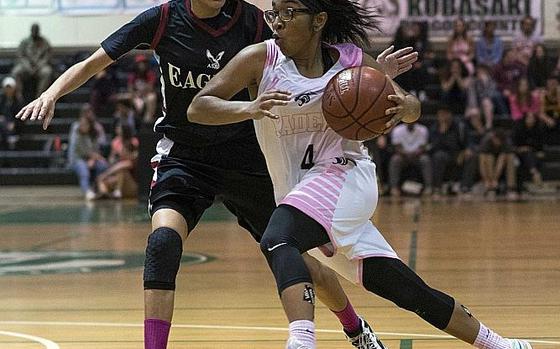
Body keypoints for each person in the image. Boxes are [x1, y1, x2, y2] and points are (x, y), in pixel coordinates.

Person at [15, 1, 418, 348]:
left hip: (248, 155)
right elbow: (95, 61)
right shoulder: (161, 19)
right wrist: (51, 93)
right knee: (162, 244)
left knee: (296, 258)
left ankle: (355, 327)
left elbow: (311, 54)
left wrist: (364, 76)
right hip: (185, 156)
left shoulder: (255, 20)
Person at [188, 1, 533, 349]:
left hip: (346, 177)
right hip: (300, 194)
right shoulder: (259, 59)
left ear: (318, 20)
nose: (278, 21)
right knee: (410, 291)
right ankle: (502, 344)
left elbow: (409, 107)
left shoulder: (350, 61)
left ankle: (301, 341)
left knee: (277, 239)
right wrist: (247, 108)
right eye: (274, 12)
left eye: (290, 12)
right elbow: (198, 106)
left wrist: (401, 102)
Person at [67, 113, 109, 200]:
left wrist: (93, 159)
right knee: (84, 170)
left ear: (90, 125)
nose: (83, 126)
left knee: (103, 166)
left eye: (85, 124)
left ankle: (98, 188)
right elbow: (84, 152)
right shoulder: (77, 136)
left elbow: (96, 150)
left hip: (91, 158)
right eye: (81, 124)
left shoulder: (94, 134)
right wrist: (93, 158)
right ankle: (87, 192)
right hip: (78, 159)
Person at [388, 122, 432, 198]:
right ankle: (394, 188)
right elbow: (397, 147)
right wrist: (406, 154)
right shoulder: (397, 130)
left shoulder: (423, 129)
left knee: (425, 159)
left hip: (417, 156)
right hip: (403, 156)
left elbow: (423, 147)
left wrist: (414, 154)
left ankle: (429, 187)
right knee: (395, 159)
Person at [96, 123, 139, 199]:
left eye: (119, 127)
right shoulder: (115, 141)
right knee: (104, 181)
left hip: (132, 183)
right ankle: (104, 195)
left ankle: (117, 191)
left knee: (121, 171)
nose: (117, 129)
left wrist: (104, 175)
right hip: (117, 177)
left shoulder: (133, 142)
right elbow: (111, 159)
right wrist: (112, 159)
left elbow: (127, 162)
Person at [11, 23, 53, 100]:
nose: (35, 32)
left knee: (47, 72)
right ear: (31, 30)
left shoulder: (44, 42)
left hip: (40, 67)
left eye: (36, 30)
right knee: (16, 71)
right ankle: (18, 95)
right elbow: (21, 56)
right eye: (33, 30)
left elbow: (47, 57)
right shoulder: (24, 42)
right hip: (26, 66)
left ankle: (40, 96)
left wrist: (38, 66)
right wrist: (28, 66)